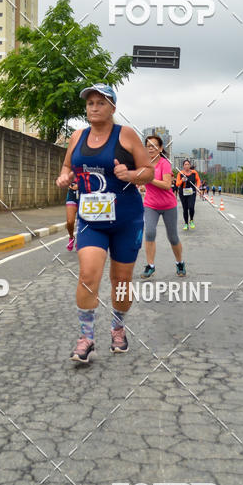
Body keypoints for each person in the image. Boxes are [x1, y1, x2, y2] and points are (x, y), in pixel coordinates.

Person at [56, 84, 152, 364]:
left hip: (126, 218)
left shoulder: (126, 135)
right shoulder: (77, 136)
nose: (94, 107)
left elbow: (148, 171)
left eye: (101, 102)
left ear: (112, 107)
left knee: (121, 281)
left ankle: (118, 328)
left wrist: (130, 173)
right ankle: (86, 338)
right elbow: (67, 167)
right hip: (91, 220)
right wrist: (64, 177)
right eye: (90, 103)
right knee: (88, 276)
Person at [140, 136, 185, 279]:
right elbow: (140, 181)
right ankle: (150, 266)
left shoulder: (165, 164)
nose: (151, 148)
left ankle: (180, 262)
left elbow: (166, 185)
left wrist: (150, 179)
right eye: (148, 146)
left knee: (172, 237)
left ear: (160, 149)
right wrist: (140, 185)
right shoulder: (144, 165)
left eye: (154, 146)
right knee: (149, 232)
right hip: (150, 205)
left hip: (168, 205)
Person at [176, 160, 201, 230]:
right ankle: (186, 223)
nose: (186, 166)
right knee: (185, 208)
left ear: (190, 165)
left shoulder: (194, 173)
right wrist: (182, 180)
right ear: (183, 166)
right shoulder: (180, 173)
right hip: (183, 193)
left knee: (191, 207)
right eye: (185, 164)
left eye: (188, 164)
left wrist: (198, 187)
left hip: (192, 192)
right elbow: (177, 184)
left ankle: (191, 220)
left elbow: (198, 180)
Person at [65, 176, 79, 251]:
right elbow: (65, 176)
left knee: (81, 222)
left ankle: (79, 240)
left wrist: (80, 186)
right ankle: (71, 237)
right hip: (72, 196)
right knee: (70, 221)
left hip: (84, 196)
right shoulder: (72, 166)